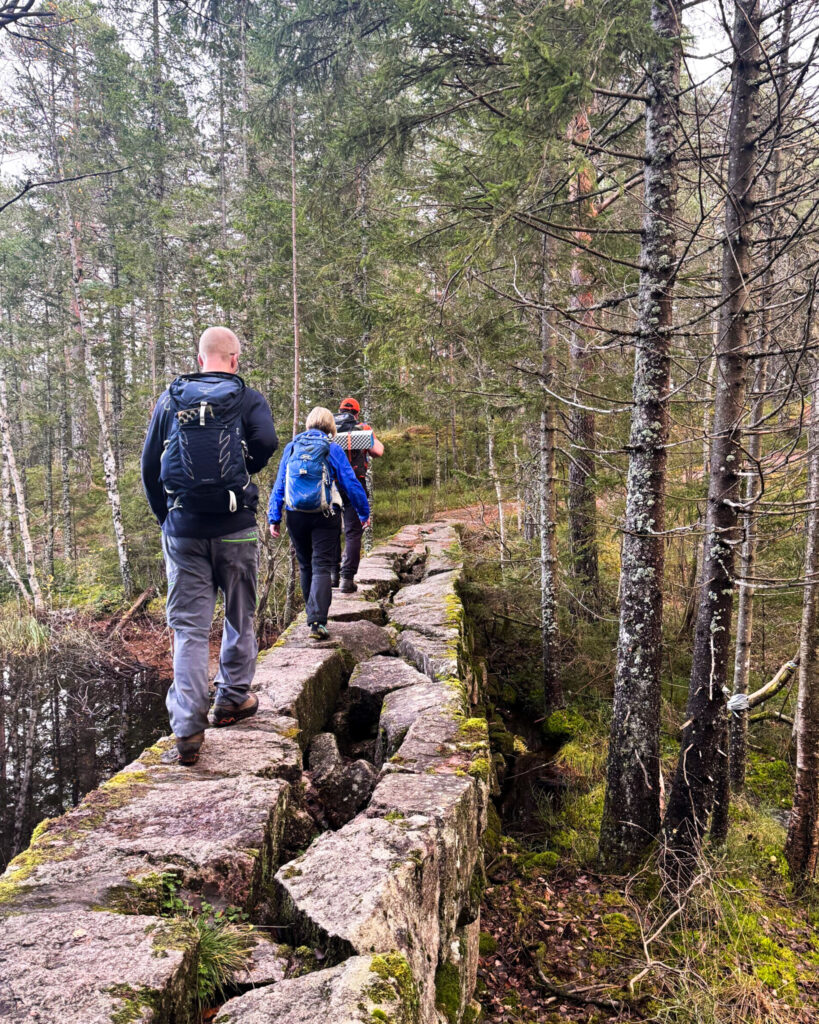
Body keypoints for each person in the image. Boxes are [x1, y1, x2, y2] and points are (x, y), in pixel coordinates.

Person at [141, 326, 278, 765]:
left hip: (183, 529)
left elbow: (149, 466)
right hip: (235, 526)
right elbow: (267, 443)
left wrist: (169, 519)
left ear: (200, 359)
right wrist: (244, 466)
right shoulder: (247, 398)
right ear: (234, 359)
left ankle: (187, 730)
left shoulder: (170, 400)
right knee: (240, 614)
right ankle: (232, 699)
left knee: (189, 630)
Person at [268, 407, 370, 639]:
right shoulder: (332, 448)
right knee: (322, 565)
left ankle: (310, 615)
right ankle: (317, 622)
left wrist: (274, 517)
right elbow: (350, 483)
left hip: (295, 515)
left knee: (305, 565)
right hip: (325, 515)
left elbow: (280, 484)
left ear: (308, 424)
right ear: (330, 426)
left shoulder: (292, 447)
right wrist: (363, 513)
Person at [332, 397, 384, 593]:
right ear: (356, 413)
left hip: (331, 485)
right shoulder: (362, 427)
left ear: (339, 411)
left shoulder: (328, 428)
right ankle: (347, 578)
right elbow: (378, 451)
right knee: (353, 531)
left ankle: (332, 575)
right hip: (355, 482)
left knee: (332, 529)